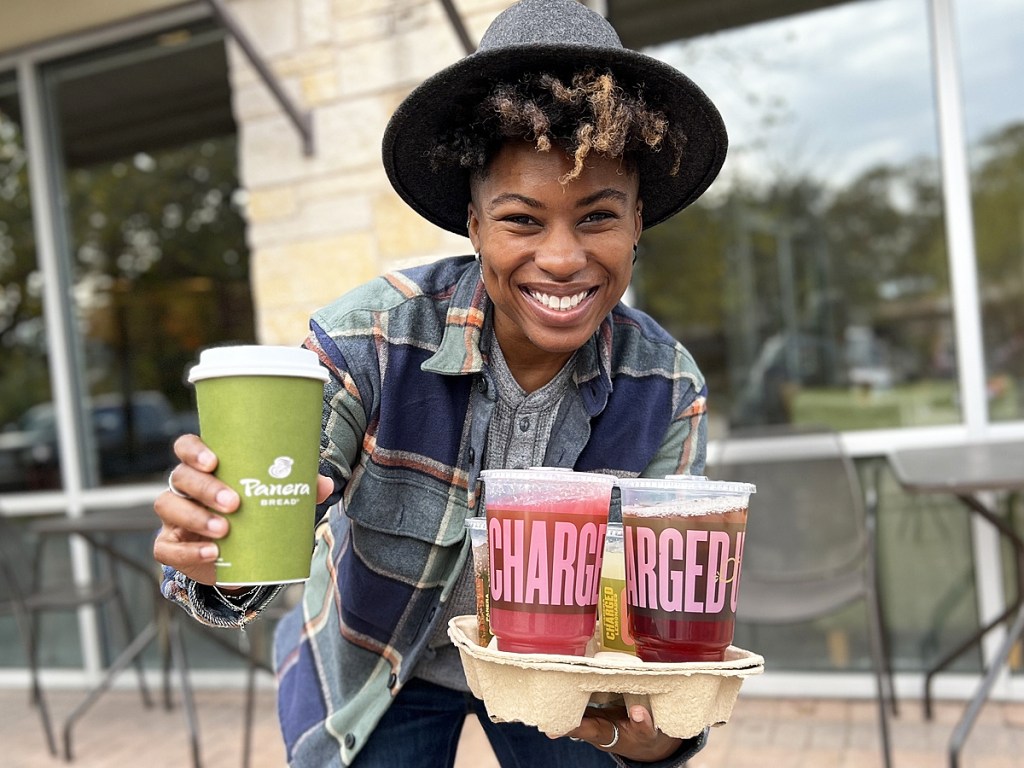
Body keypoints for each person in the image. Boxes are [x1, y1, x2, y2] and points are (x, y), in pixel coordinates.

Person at [154, 1, 728, 766]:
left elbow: (661, 628)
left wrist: (656, 738)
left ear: (637, 224)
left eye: (596, 217)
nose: (561, 258)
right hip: (376, 661)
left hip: (557, 670)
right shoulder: (369, 340)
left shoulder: (665, 385)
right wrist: (215, 553)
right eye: (522, 220)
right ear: (474, 224)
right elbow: (275, 513)